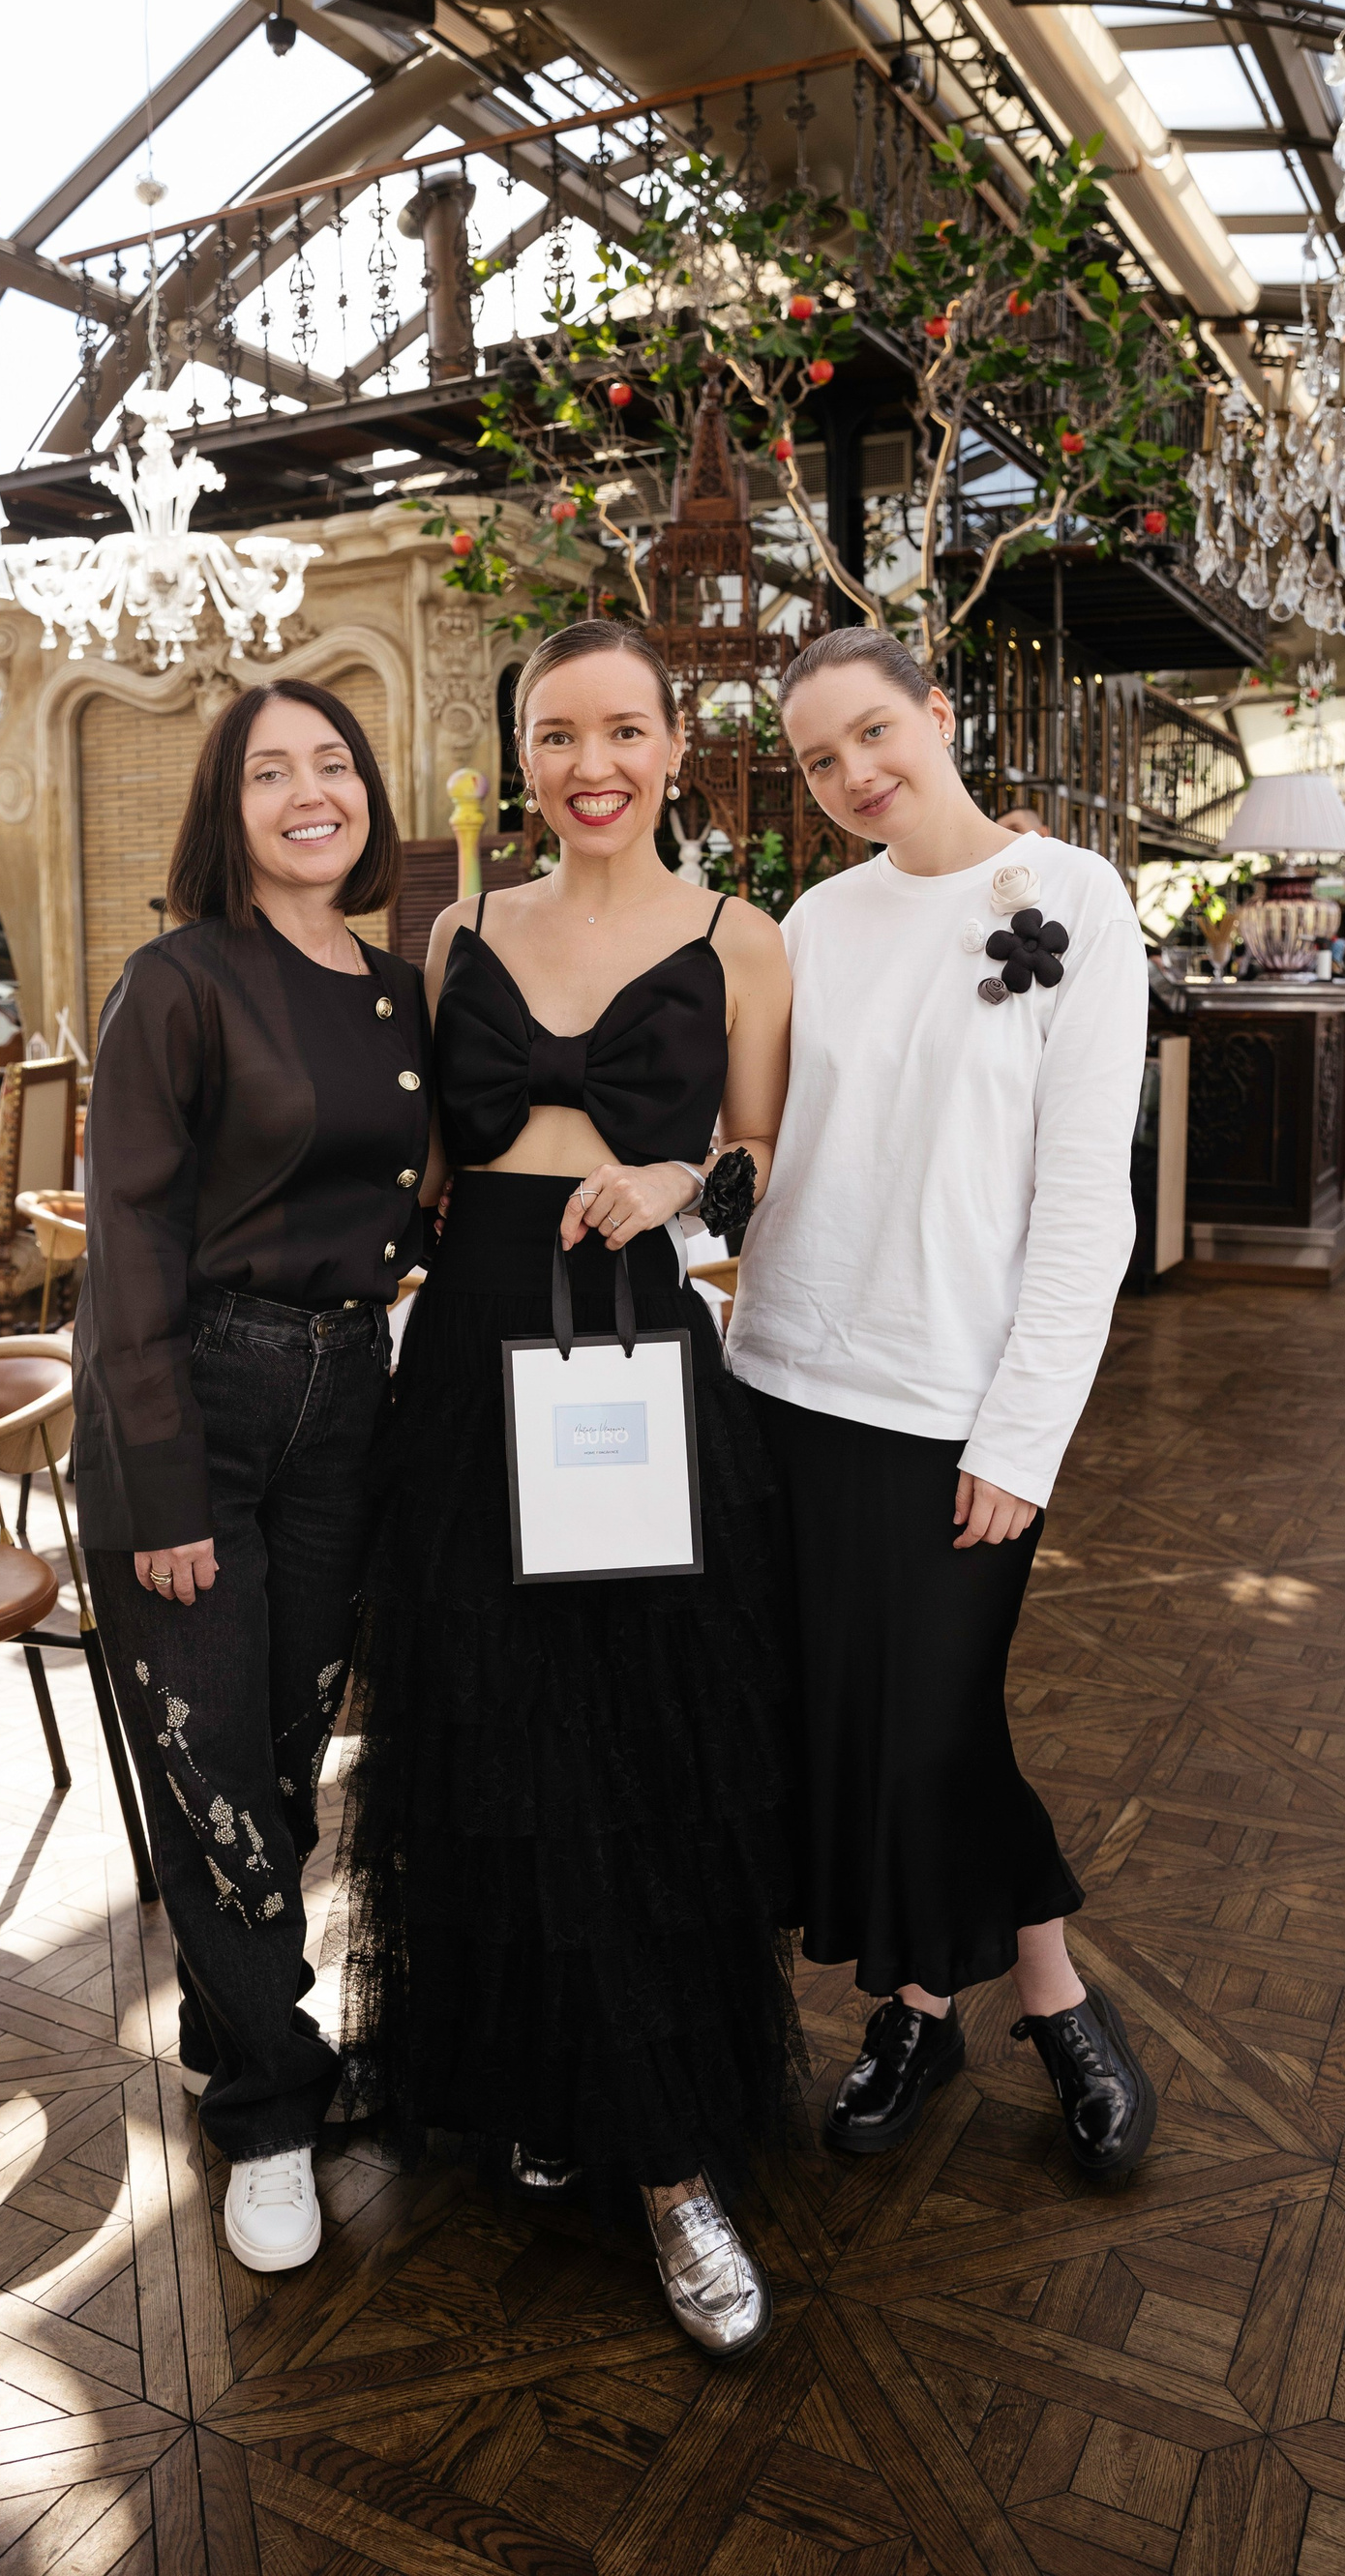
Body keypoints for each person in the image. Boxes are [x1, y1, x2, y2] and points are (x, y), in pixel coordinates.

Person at [340, 619, 799, 2358]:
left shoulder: (741, 938)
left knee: (637, 1744)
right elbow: (422, 1169)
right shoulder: (458, 929)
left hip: (633, 1364)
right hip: (472, 1370)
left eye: (621, 732)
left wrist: (681, 1181)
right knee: (490, 1733)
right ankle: (538, 2071)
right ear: (519, 756)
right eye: (555, 734)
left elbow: (764, 1154)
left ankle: (673, 2161)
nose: (589, 765)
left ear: (676, 747)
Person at [727, 627, 1158, 2183]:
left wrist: (1023, 1436)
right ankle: (917, 2009)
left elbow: (1085, 1204)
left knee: (931, 1730)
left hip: (954, 1406)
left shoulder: (1078, 901)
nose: (852, 774)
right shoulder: (814, 923)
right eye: (817, 759)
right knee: (851, 1728)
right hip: (785, 1378)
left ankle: (1049, 1999)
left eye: (872, 733)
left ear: (940, 713)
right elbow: (768, 1148)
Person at [74, 679, 434, 2276]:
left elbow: (419, 1194)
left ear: (367, 795)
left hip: (347, 1397)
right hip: (195, 1405)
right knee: (212, 1767)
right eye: (270, 771)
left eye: (332, 764)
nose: (310, 793)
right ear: (226, 807)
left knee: (289, 1761)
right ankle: (269, 2111)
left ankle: (245, 2031)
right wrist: (161, 1491)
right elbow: (128, 1243)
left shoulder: (396, 988)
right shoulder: (177, 981)